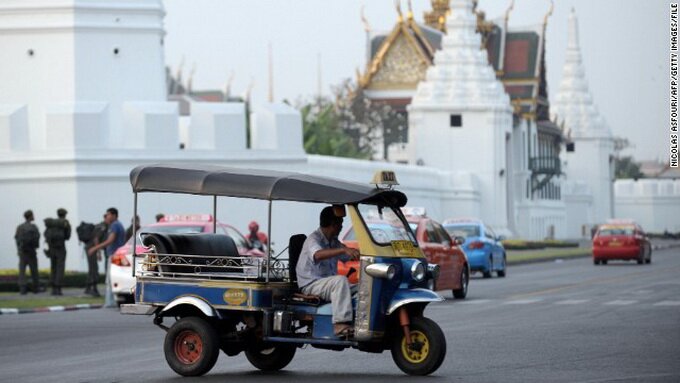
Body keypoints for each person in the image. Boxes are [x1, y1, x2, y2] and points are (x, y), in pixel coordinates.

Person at [295, 206, 359, 338]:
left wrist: (363, 255)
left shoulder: (334, 242)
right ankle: (340, 324)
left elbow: (349, 255)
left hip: (326, 285)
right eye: (340, 223)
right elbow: (317, 255)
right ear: (333, 224)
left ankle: (360, 321)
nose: (341, 227)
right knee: (340, 281)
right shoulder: (313, 239)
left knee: (363, 286)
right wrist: (343, 250)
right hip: (311, 285)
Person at [44, 208, 71, 296]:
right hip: (60, 247)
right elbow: (67, 236)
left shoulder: (51, 223)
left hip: (51, 247)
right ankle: (58, 288)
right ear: (64, 214)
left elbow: (45, 234)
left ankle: (53, 289)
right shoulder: (64, 223)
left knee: (53, 267)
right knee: (60, 267)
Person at [14, 210, 41, 295]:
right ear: (30, 216)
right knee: (34, 270)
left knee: (22, 271)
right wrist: (36, 246)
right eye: (33, 215)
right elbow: (37, 237)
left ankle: (22, 289)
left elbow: (16, 239)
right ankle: (35, 288)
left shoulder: (20, 227)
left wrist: (18, 249)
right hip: (31, 251)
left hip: (22, 251)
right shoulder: (34, 227)